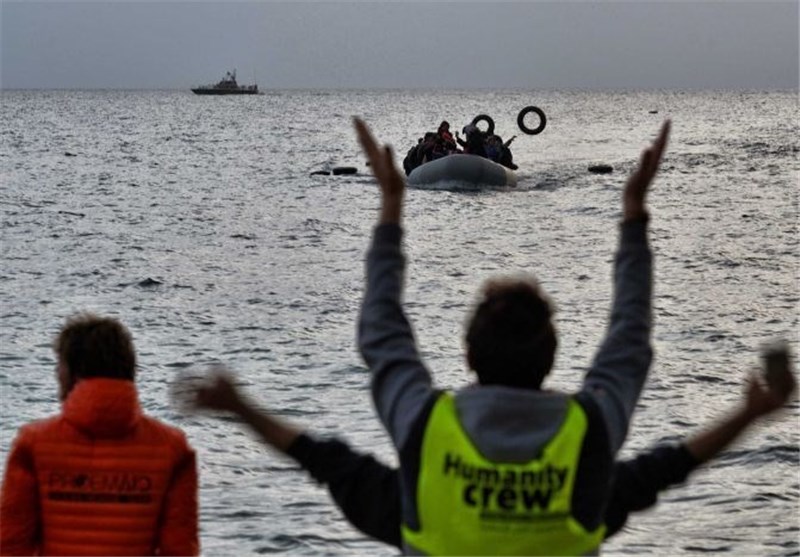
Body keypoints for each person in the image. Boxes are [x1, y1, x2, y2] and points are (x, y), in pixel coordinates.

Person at [353, 116, 669, 555]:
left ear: (468, 354)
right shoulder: (587, 431)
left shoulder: (426, 425)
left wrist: (391, 208)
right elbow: (630, 339)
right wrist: (634, 213)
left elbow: (382, 338)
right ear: (551, 352)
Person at [182, 354, 795, 550]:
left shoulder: (418, 515)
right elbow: (666, 466)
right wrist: (748, 411)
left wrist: (241, 408)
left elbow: (329, 461)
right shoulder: (580, 508)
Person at [0, 313, 199, 556]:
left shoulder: (34, 443)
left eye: (59, 365)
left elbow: (11, 546)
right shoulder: (172, 448)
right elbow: (179, 550)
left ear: (72, 373)